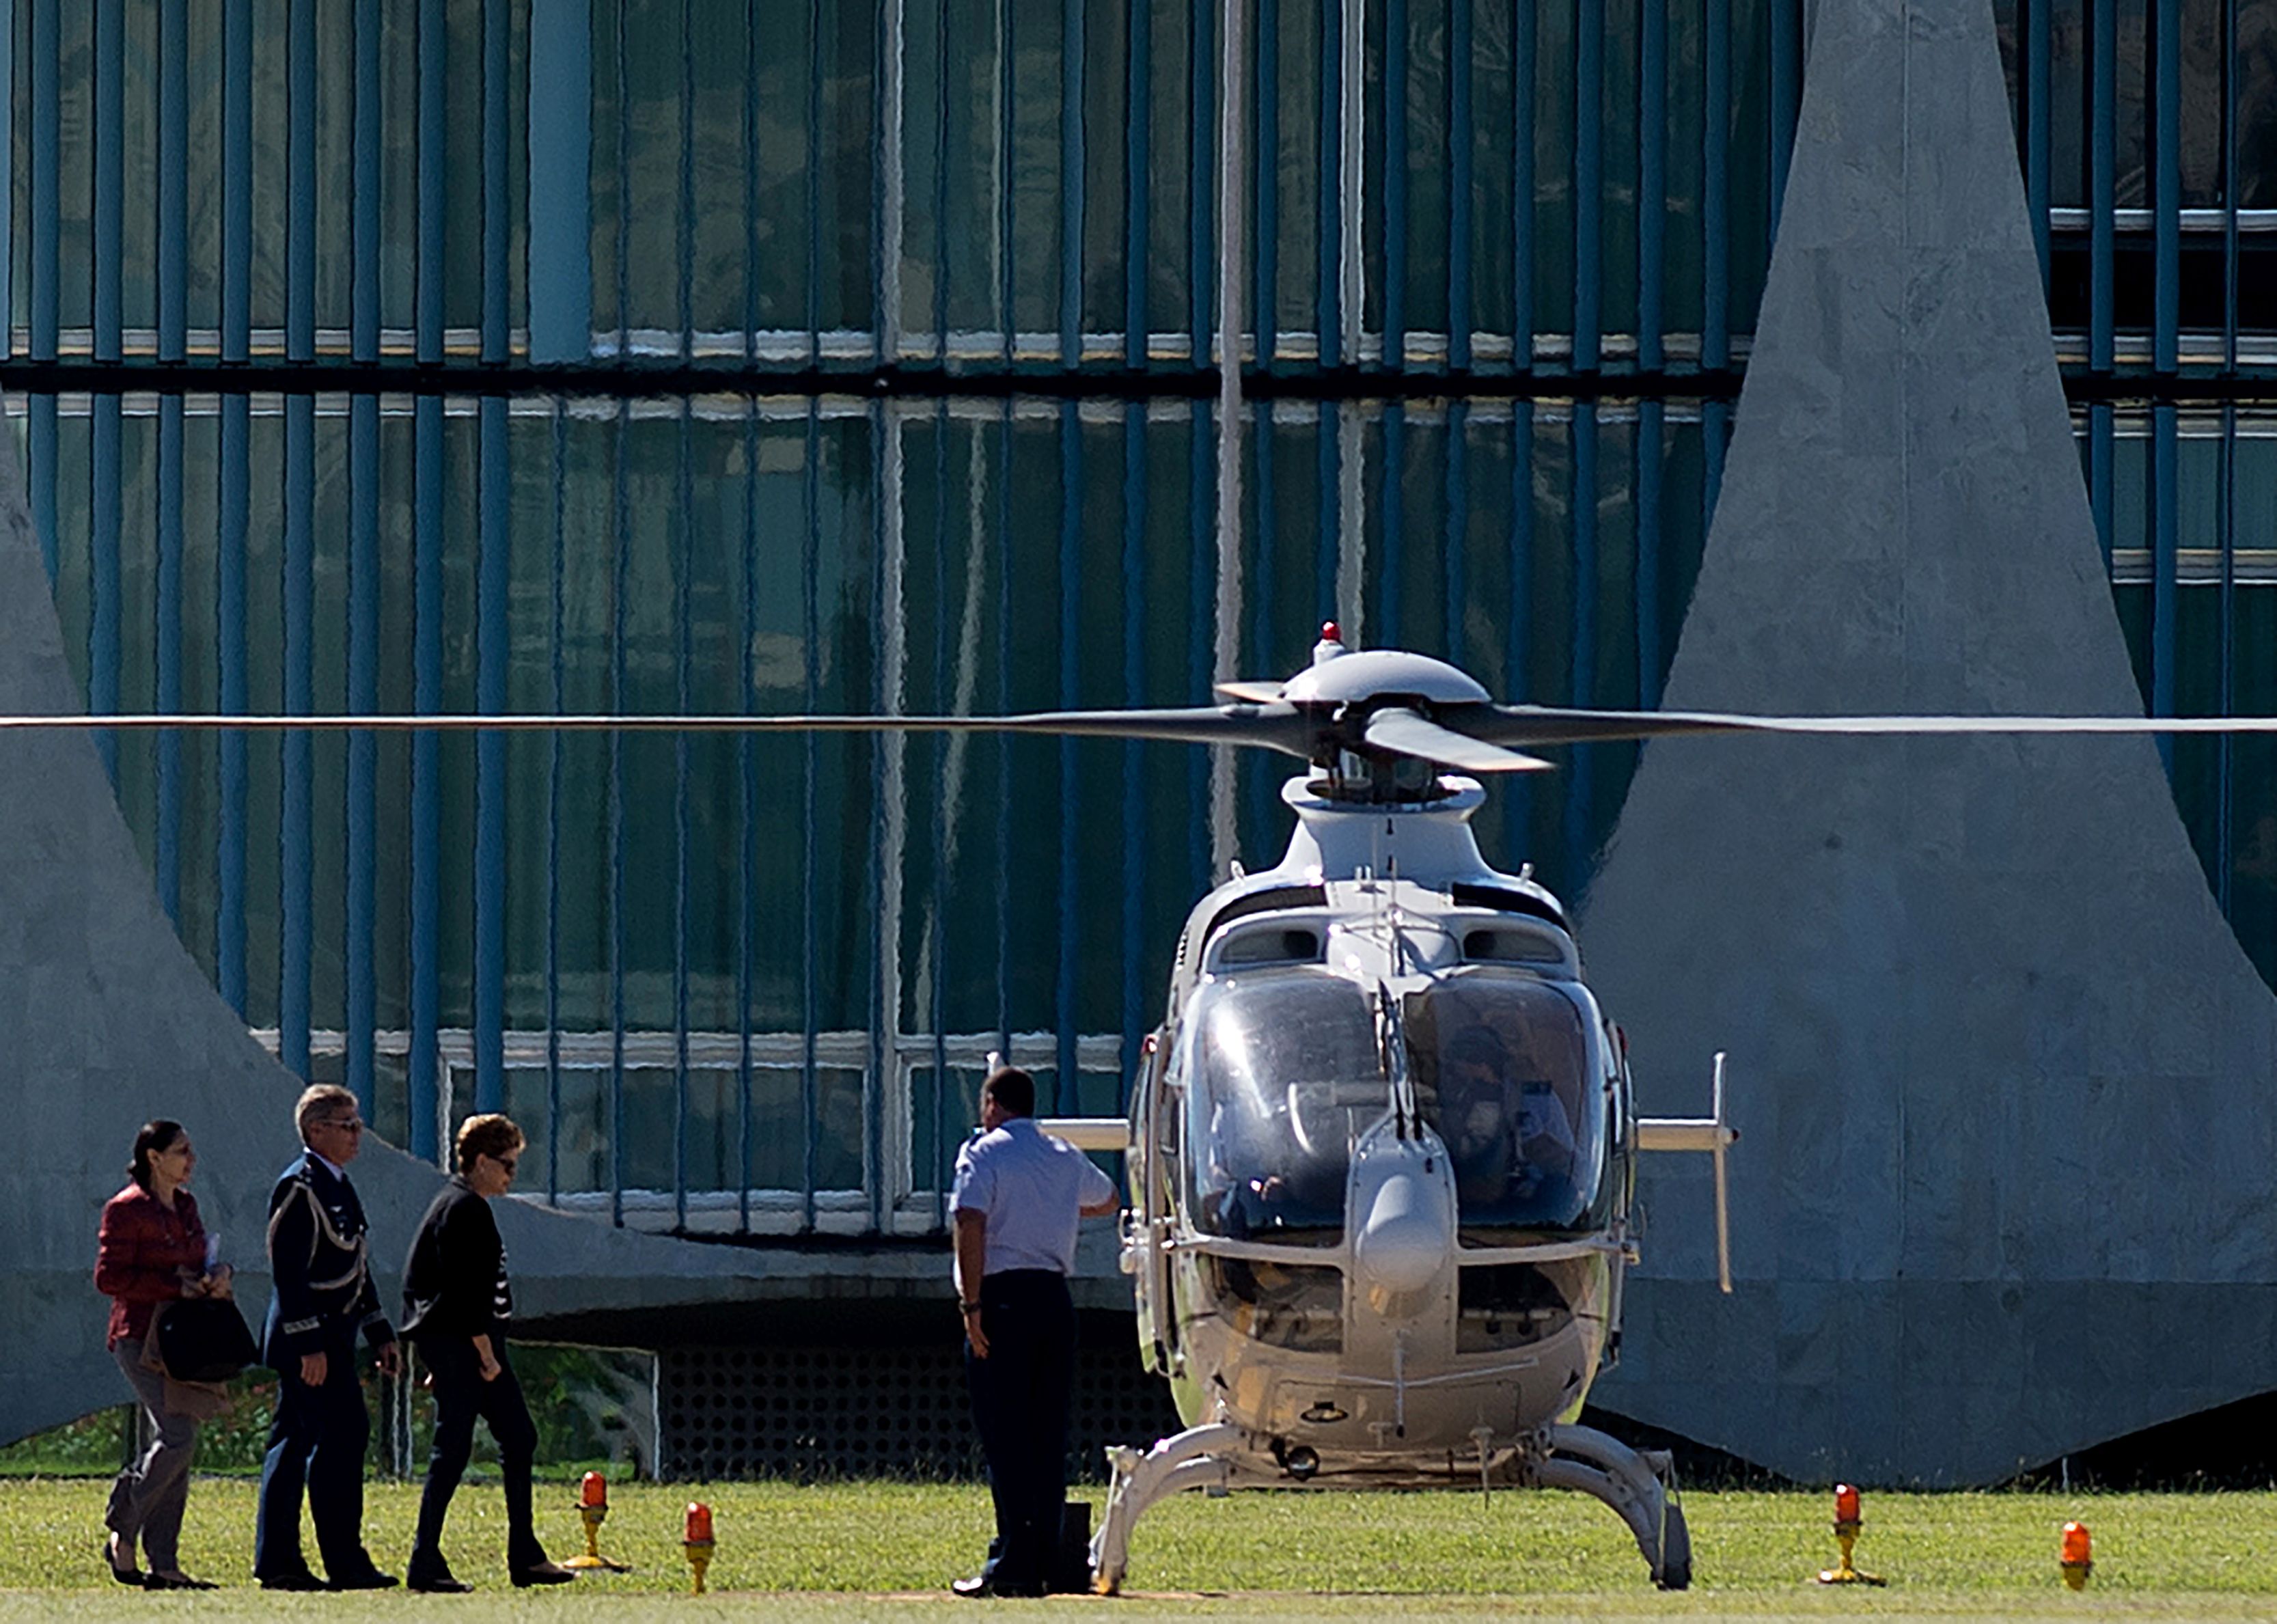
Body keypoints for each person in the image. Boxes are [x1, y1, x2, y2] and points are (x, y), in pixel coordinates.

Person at [949, 1066, 1120, 1599]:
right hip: (1052, 1298)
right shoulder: (1062, 1154)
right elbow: (1107, 1198)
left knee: (1005, 1433)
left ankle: (1011, 1559)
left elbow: (970, 1219)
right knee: (1047, 1432)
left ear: (993, 1104)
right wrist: (1053, 1206)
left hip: (1002, 1297)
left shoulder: (983, 1152)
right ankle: (1049, 1554)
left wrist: (971, 1304)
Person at [399, 1114, 575, 1592]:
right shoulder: (462, 1207)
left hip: (466, 1344)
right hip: (468, 1343)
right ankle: (425, 1558)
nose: (511, 1175)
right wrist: (483, 1352)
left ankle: (525, 1552)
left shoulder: (464, 1204)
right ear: (480, 1161)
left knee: (519, 1436)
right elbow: (460, 1291)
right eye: (506, 1165)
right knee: (452, 1447)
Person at [253, 1084, 402, 1591]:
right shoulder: (300, 1186)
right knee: (341, 1435)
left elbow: (355, 1262)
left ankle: (280, 1560)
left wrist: (379, 1329)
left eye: (357, 1123)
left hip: (334, 1335)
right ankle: (342, 1559)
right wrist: (308, 1344)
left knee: (293, 1442)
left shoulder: (338, 1183)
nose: (358, 1133)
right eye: (347, 1124)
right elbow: (289, 1273)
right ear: (316, 1130)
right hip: (309, 1341)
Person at [92, 1120, 231, 1591]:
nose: (190, 1160)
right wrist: (175, 1285)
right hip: (139, 1336)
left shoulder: (186, 1205)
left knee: (181, 1440)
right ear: (154, 1157)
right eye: (181, 1151)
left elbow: (196, 1258)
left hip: (183, 1337)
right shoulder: (125, 1209)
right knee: (177, 1436)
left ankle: (164, 1560)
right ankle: (123, 1521)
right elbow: (109, 1279)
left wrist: (216, 1274)